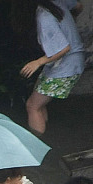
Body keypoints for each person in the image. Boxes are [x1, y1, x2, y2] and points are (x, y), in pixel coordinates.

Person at [21, 0, 85, 135]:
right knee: (38, 103)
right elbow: (78, 6)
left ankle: (36, 145)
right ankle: (42, 133)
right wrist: (70, 21)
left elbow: (63, 48)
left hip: (67, 65)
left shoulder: (44, 17)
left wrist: (37, 62)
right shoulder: (57, 2)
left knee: (32, 106)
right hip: (67, 62)